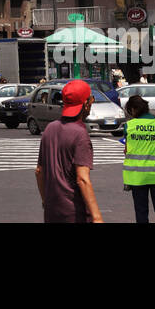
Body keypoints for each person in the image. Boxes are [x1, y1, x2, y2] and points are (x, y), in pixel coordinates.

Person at [35, 80, 103, 223]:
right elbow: (82, 179)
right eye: (91, 99)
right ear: (85, 104)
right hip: (75, 213)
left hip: (52, 211)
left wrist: (45, 201)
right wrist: (97, 217)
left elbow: (39, 171)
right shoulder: (80, 134)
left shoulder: (50, 129)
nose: (92, 102)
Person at [122, 95, 155, 223]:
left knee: (141, 213)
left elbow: (127, 150)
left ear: (133, 109)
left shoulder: (129, 126)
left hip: (137, 177)